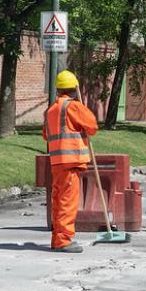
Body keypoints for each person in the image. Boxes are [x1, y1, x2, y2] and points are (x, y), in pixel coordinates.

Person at [42, 70, 98, 253]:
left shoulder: (50, 110)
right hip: (71, 161)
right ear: (75, 88)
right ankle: (63, 241)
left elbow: (46, 135)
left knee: (58, 200)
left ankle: (58, 237)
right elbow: (92, 126)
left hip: (57, 163)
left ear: (58, 89)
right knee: (67, 201)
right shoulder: (73, 107)